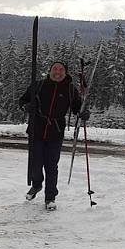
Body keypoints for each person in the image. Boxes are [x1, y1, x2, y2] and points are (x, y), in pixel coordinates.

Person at [19, 60, 89, 210]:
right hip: (36, 129)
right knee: (36, 163)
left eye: (61, 69)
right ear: (50, 71)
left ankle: (50, 197)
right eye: (55, 69)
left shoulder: (70, 90)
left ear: (65, 72)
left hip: (55, 131)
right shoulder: (38, 85)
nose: (57, 72)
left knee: (51, 166)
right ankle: (36, 185)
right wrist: (27, 107)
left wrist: (84, 113)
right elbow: (22, 101)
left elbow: (77, 108)